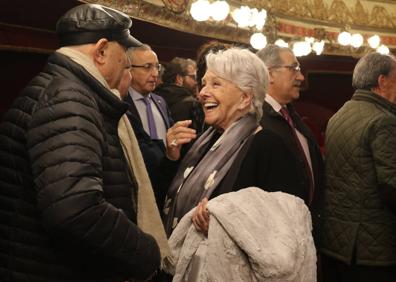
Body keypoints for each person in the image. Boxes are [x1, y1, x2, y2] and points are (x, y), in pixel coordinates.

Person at [0, 4, 161, 282]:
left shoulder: (63, 88)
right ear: (100, 51)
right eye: (123, 53)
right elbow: (75, 208)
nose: (126, 64)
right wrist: (146, 251)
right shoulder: (69, 97)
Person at [162, 47, 269, 236]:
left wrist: (218, 230)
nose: (202, 93)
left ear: (245, 98)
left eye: (216, 84)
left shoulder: (267, 147)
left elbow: (273, 229)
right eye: (203, 84)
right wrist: (171, 157)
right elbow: (168, 196)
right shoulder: (205, 139)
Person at [320, 52, 396, 282]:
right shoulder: (383, 120)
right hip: (371, 249)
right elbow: (392, 186)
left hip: (335, 243)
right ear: (382, 81)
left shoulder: (339, 115)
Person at [243, 44, 324, 242]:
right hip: (276, 237)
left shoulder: (289, 114)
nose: (301, 77)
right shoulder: (255, 120)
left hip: (303, 230)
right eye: (294, 68)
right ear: (269, 74)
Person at [125, 44, 174, 210]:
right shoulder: (122, 104)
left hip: (163, 184)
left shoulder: (160, 102)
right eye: (147, 67)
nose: (155, 74)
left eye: (157, 67)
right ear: (129, 69)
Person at [155, 59, 205, 134]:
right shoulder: (191, 104)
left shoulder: (153, 98)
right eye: (193, 77)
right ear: (179, 79)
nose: (196, 82)